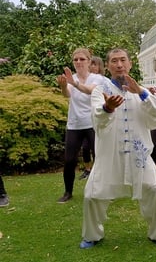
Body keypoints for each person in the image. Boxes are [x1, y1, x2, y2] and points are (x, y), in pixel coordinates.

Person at [79, 48, 156, 249]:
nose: (119, 64)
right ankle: (92, 235)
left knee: (155, 189)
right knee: (92, 195)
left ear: (130, 64)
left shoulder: (141, 90)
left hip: (139, 154)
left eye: (123, 60)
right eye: (114, 61)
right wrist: (108, 108)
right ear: (108, 66)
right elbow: (97, 119)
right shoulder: (99, 91)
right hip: (109, 154)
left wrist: (142, 93)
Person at [56, 48, 103, 203]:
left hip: (92, 123)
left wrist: (73, 83)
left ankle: (101, 190)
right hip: (74, 125)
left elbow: (91, 91)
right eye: (75, 60)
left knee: (99, 157)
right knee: (69, 160)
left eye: (82, 59)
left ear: (89, 61)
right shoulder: (72, 78)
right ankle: (68, 192)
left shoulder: (96, 78)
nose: (78, 62)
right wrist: (64, 85)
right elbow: (66, 94)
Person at [79, 56, 106, 180]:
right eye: (91, 64)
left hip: (99, 119)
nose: (92, 67)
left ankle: (99, 172)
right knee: (85, 148)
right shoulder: (84, 80)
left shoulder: (104, 81)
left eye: (95, 64)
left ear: (100, 66)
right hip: (85, 120)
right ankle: (88, 169)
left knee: (97, 149)